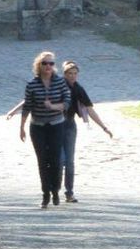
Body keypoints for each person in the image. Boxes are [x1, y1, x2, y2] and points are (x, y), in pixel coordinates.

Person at [12, 51, 70, 208]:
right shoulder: (32, 84)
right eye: (45, 63)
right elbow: (27, 106)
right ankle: (45, 194)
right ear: (39, 65)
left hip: (56, 125)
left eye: (51, 63)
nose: (48, 66)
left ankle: (55, 190)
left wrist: (53, 106)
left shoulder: (60, 82)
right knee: (42, 161)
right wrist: (22, 127)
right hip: (38, 126)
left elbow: (67, 102)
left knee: (56, 160)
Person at [55, 60, 112, 203]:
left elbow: (90, 109)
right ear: (64, 74)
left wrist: (104, 127)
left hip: (69, 126)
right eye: (70, 73)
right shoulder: (57, 85)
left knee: (69, 161)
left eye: (75, 74)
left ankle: (69, 193)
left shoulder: (78, 89)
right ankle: (54, 190)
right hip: (55, 126)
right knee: (59, 160)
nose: (73, 76)